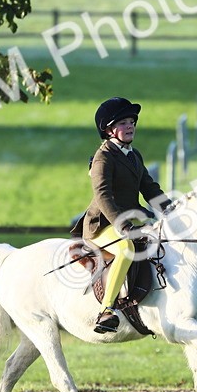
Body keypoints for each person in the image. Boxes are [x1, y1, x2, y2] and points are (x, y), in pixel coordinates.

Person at [71, 96, 168, 333]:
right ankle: (106, 310)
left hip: (130, 219)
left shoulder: (134, 156)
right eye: (123, 122)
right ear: (109, 129)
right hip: (102, 224)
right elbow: (103, 195)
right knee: (126, 250)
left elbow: (149, 187)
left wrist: (170, 210)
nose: (130, 126)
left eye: (131, 121)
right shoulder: (103, 158)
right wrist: (122, 225)